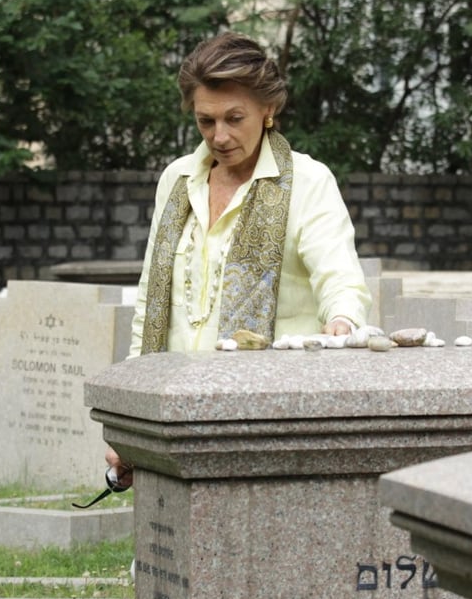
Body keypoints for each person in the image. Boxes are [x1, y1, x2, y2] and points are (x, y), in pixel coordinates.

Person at [107, 31, 372, 487]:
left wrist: (342, 323)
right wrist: (131, 415)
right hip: (173, 412)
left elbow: (341, 279)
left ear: (268, 110)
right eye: (205, 121)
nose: (220, 136)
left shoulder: (309, 181)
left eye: (234, 118)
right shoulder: (176, 179)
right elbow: (152, 305)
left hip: (269, 415)